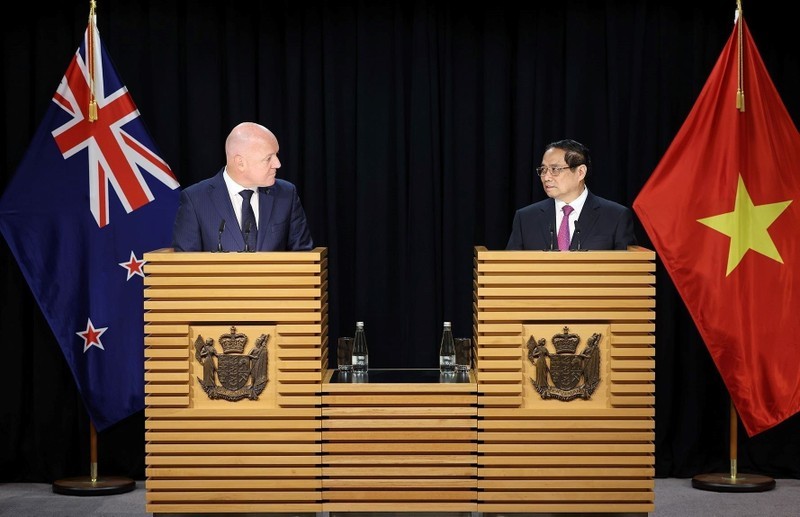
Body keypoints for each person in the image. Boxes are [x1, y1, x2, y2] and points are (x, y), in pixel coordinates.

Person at [172, 122, 314, 252]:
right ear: (240, 163)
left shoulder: (287, 194)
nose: (277, 164)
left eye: (276, 155)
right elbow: (185, 266)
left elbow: (304, 257)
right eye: (268, 158)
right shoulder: (195, 200)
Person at [506, 139, 636, 251]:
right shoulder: (525, 218)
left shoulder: (616, 217)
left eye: (555, 169)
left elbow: (627, 272)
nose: (546, 177)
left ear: (580, 172)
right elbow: (510, 270)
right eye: (543, 170)